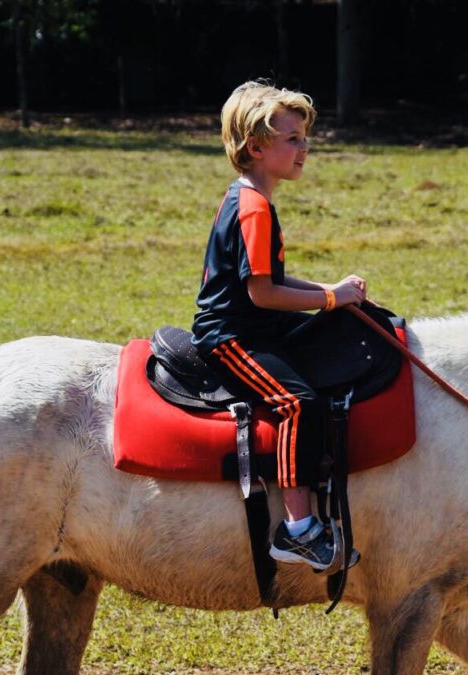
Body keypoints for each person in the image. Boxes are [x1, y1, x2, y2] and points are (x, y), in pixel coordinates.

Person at [191, 80, 365, 571]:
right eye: (292, 139)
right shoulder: (253, 207)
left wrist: (331, 292)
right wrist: (331, 298)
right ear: (257, 147)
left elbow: (273, 276)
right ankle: (298, 530)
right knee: (296, 404)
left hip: (258, 325)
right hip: (232, 336)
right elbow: (262, 293)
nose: (304, 147)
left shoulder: (253, 199)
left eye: (305, 138)